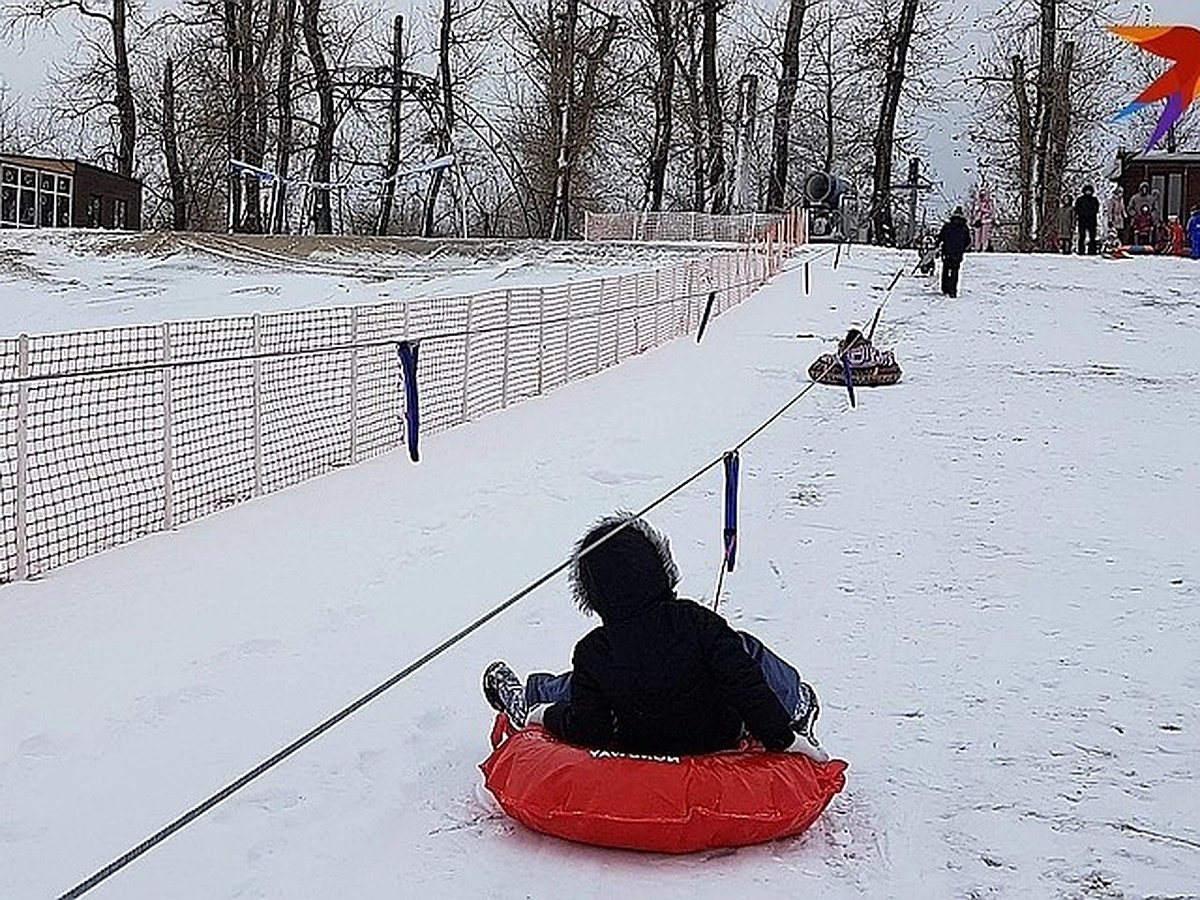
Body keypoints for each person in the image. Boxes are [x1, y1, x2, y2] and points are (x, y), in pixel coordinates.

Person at [481, 514, 829, 761]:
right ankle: (793, 705)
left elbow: (589, 729)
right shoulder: (697, 621)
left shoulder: (593, 652)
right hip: (717, 735)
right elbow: (742, 681)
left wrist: (547, 717)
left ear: (591, 595)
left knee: (596, 679)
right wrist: (781, 738)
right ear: (661, 570)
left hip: (642, 743)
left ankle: (531, 700)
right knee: (740, 649)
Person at [935, 206, 971, 297]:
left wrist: (937, 245)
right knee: (955, 272)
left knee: (945, 269)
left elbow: (940, 238)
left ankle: (945, 288)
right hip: (957, 254)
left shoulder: (947, 226)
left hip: (946, 252)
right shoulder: (964, 228)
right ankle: (953, 290)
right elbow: (968, 241)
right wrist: (962, 248)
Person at [1074, 185, 1100, 255]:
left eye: (1089, 191)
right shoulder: (1080, 200)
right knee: (1082, 235)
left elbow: (1096, 209)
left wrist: (1090, 214)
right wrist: (1081, 214)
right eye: (1087, 191)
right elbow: (1077, 209)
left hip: (1092, 220)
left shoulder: (1094, 200)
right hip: (1082, 219)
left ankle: (1092, 250)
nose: (1088, 192)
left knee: (1092, 236)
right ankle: (1081, 250)